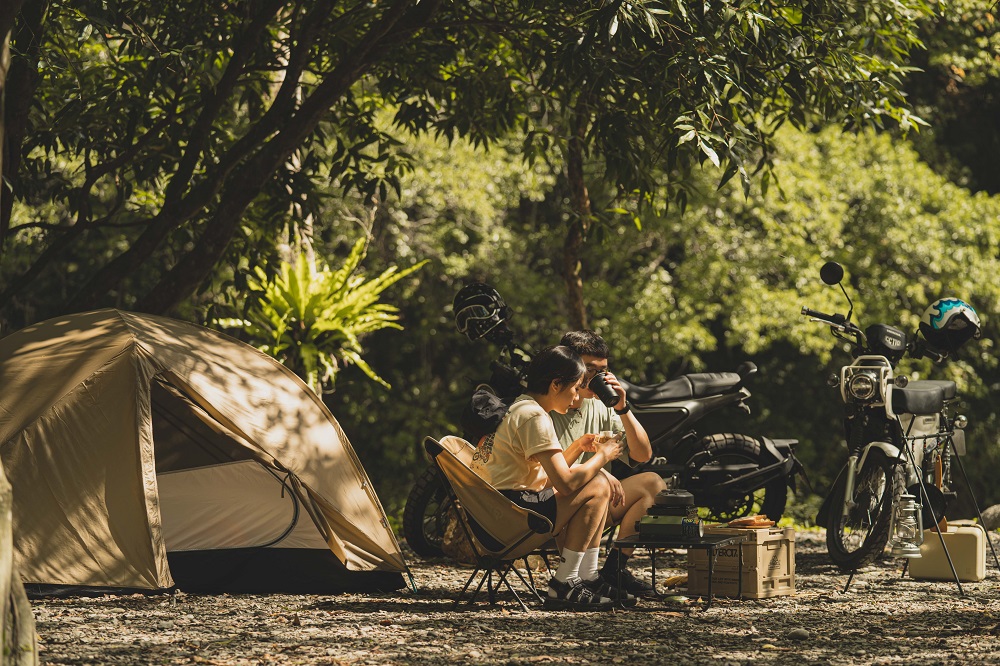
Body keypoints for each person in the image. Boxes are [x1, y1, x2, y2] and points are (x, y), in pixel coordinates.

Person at [475, 345, 634, 611]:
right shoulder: (534, 417)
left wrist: (578, 447)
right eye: (574, 388)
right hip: (509, 521)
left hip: (496, 515)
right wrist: (603, 457)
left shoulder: (520, 407)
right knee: (597, 483)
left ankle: (585, 576)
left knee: (597, 481)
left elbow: (548, 479)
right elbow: (565, 484)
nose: (576, 399)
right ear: (556, 384)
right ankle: (566, 582)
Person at [549, 330, 668, 598]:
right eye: (589, 369)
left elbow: (642, 455)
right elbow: (548, 469)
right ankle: (576, 577)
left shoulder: (600, 404)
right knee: (598, 484)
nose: (595, 378)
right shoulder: (548, 405)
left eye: (602, 370)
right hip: (561, 503)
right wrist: (601, 472)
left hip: (599, 503)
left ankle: (615, 569)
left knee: (653, 483)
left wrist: (623, 408)